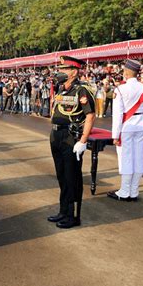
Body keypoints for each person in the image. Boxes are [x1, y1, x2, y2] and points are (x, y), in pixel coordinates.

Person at [48, 56, 95, 229]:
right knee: (61, 176)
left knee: (72, 177)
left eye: (64, 69)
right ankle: (63, 211)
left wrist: (83, 140)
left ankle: (73, 215)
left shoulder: (81, 90)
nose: (60, 72)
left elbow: (90, 115)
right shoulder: (62, 89)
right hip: (56, 135)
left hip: (71, 137)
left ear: (74, 72)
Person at [108, 59, 143, 202]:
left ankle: (124, 191)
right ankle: (134, 191)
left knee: (126, 158)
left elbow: (117, 114)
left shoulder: (120, 89)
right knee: (138, 158)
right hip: (141, 125)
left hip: (126, 127)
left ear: (127, 72)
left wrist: (115, 135)